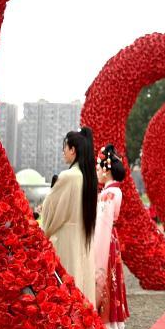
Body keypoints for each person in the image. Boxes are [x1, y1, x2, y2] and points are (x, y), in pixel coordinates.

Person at [41, 127, 97, 304]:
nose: (63, 152)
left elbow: (51, 210)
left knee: (65, 292)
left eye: (65, 148)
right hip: (82, 240)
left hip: (66, 241)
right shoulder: (88, 178)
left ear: (73, 150)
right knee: (81, 287)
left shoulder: (69, 176)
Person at [94, 144, 129, 329]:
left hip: (105, 237)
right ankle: (113, 320)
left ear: (106, 171)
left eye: (99, 169)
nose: (97, 172)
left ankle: (107, 320)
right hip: (110, 237)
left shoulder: (109, 193)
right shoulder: (114, 190)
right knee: (112, 278)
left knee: (105, 277)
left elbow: (101, 223)